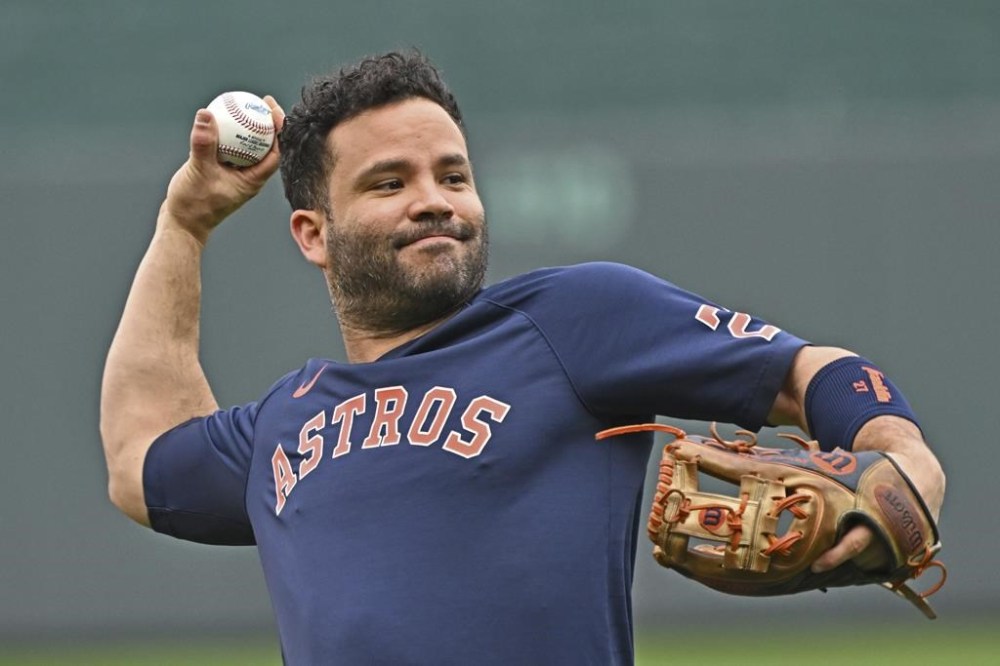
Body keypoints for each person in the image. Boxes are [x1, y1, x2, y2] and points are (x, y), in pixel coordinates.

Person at [100, 51, 945, 665]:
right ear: (313, 234)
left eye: (452, 176)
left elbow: (804, 371)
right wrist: (186, 223)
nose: (434, 201)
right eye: (390, 183)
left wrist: (900, 447)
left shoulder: (569, 321)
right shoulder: (285, 425)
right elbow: (140, 456)